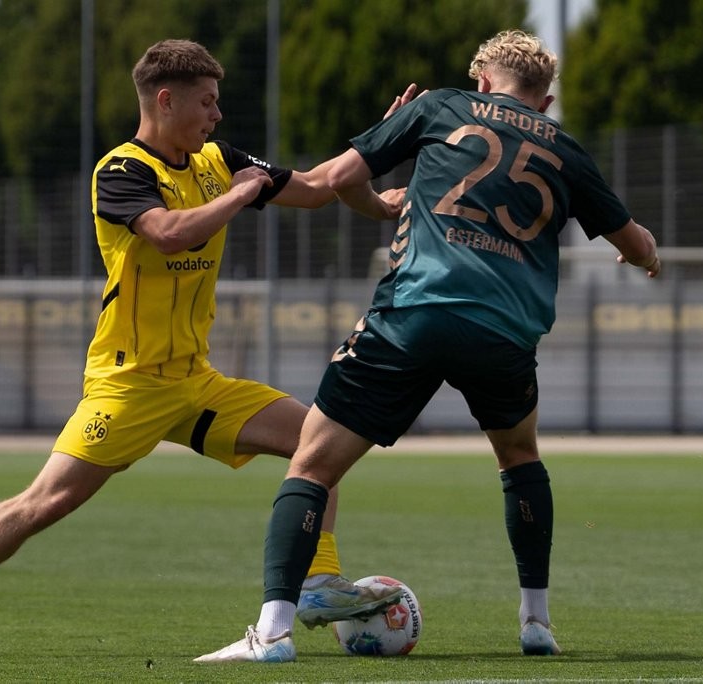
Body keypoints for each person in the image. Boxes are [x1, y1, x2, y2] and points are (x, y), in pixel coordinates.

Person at [0, 38, 409, 657]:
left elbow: (316, 187)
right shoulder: (121, 171)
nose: (217, 116)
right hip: (128, 384)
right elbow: (169, 234)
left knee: (319, 440)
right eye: (207, 103)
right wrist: (239, 194)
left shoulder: (216, 160)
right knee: (44, 502)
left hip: (196, 381)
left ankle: (316, 581)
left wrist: (382, 142)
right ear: (165, 100)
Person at [195, 29, 660, 664]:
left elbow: (334, 180)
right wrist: (649, 256)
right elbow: (634, 243)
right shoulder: (567, 149)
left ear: (483, 82)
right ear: (545, 100)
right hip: (504, 333)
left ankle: (272, 634)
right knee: (520, 457)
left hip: (415, 314)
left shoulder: (440, 106)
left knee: (312, 465)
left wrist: (377, 147)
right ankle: (536, 623)